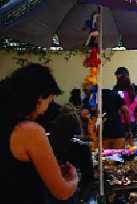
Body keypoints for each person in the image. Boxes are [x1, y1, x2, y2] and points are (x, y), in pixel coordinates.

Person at [0, 63, 78, 203]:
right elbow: (62, 192)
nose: (45, 110)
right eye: (47, 103)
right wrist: (74, 179)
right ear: (38, 97)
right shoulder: (29, 131)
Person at [47, 103, 94, 203]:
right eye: (52, 130)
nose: (52, 134)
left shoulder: (81, 150)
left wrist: (80, 201)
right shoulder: (47, 146)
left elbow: (88, 180)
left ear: (69, 134)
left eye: (57, 131)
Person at [115, 77, 137, 146]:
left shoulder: (117, 95)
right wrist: (134, 119)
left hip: (120, 123)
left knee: (121, 146)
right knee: (131, 146)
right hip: (132, 123)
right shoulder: (135, 96)